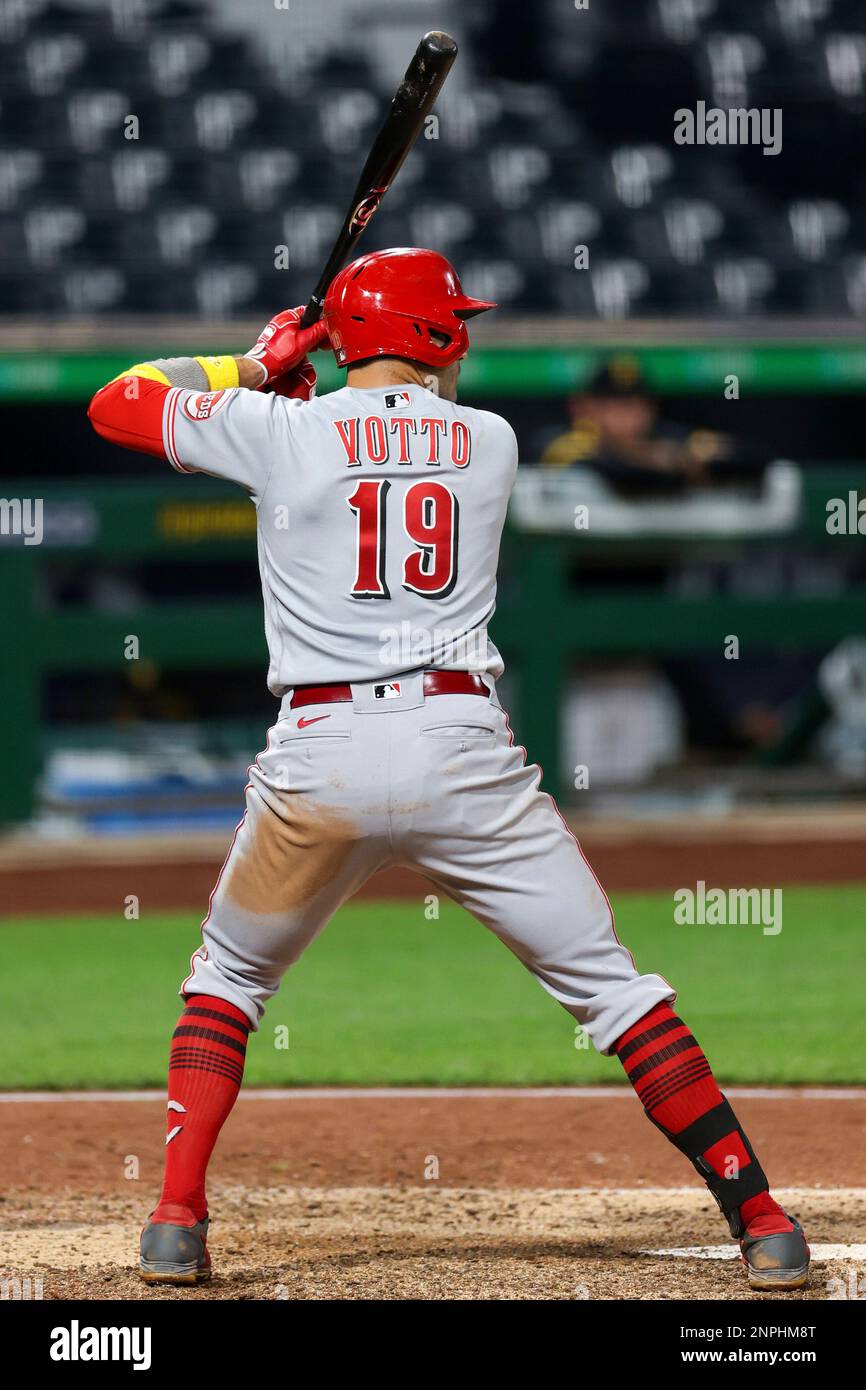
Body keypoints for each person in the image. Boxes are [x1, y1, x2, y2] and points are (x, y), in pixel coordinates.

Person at [87, 247, 809, 1291]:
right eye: (452, 322)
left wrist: (254, 367)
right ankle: (763, 1220)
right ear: (431, 336)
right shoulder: (490, 441)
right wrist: (306, 375)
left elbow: (118, 404)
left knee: (229, 981)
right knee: (613, 993)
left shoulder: (283, 430)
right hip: (461, 750)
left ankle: (173, 1219)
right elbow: (383, 442)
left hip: (317, 757)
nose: (463, 336)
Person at [541, 355, 754, 496]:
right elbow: (618, 474)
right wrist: (652, 460)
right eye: (613, 406)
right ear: (584, 408)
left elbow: (747, 457)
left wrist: (687, 459)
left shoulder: (664, 438)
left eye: (637, 405)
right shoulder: (568, 443)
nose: (628, 418)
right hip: (580, 557)